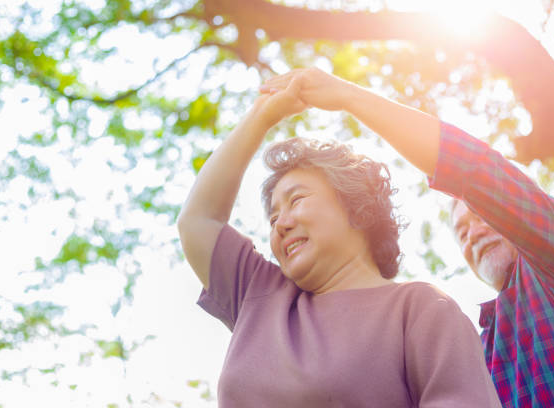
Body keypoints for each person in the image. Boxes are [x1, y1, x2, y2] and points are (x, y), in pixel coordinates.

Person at [260, 68, 554, 407]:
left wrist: (349, 96)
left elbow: (475, 171)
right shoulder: (476, 348)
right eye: (462, 233)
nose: (473, 233)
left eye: (482, 216)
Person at [177, 72, 501, 406]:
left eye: (297, 200)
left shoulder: (421, 310)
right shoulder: (258, 294)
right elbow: (197, 221)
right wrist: (262, 116)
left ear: (357, 208)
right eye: (273, 217)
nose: (281, 224)